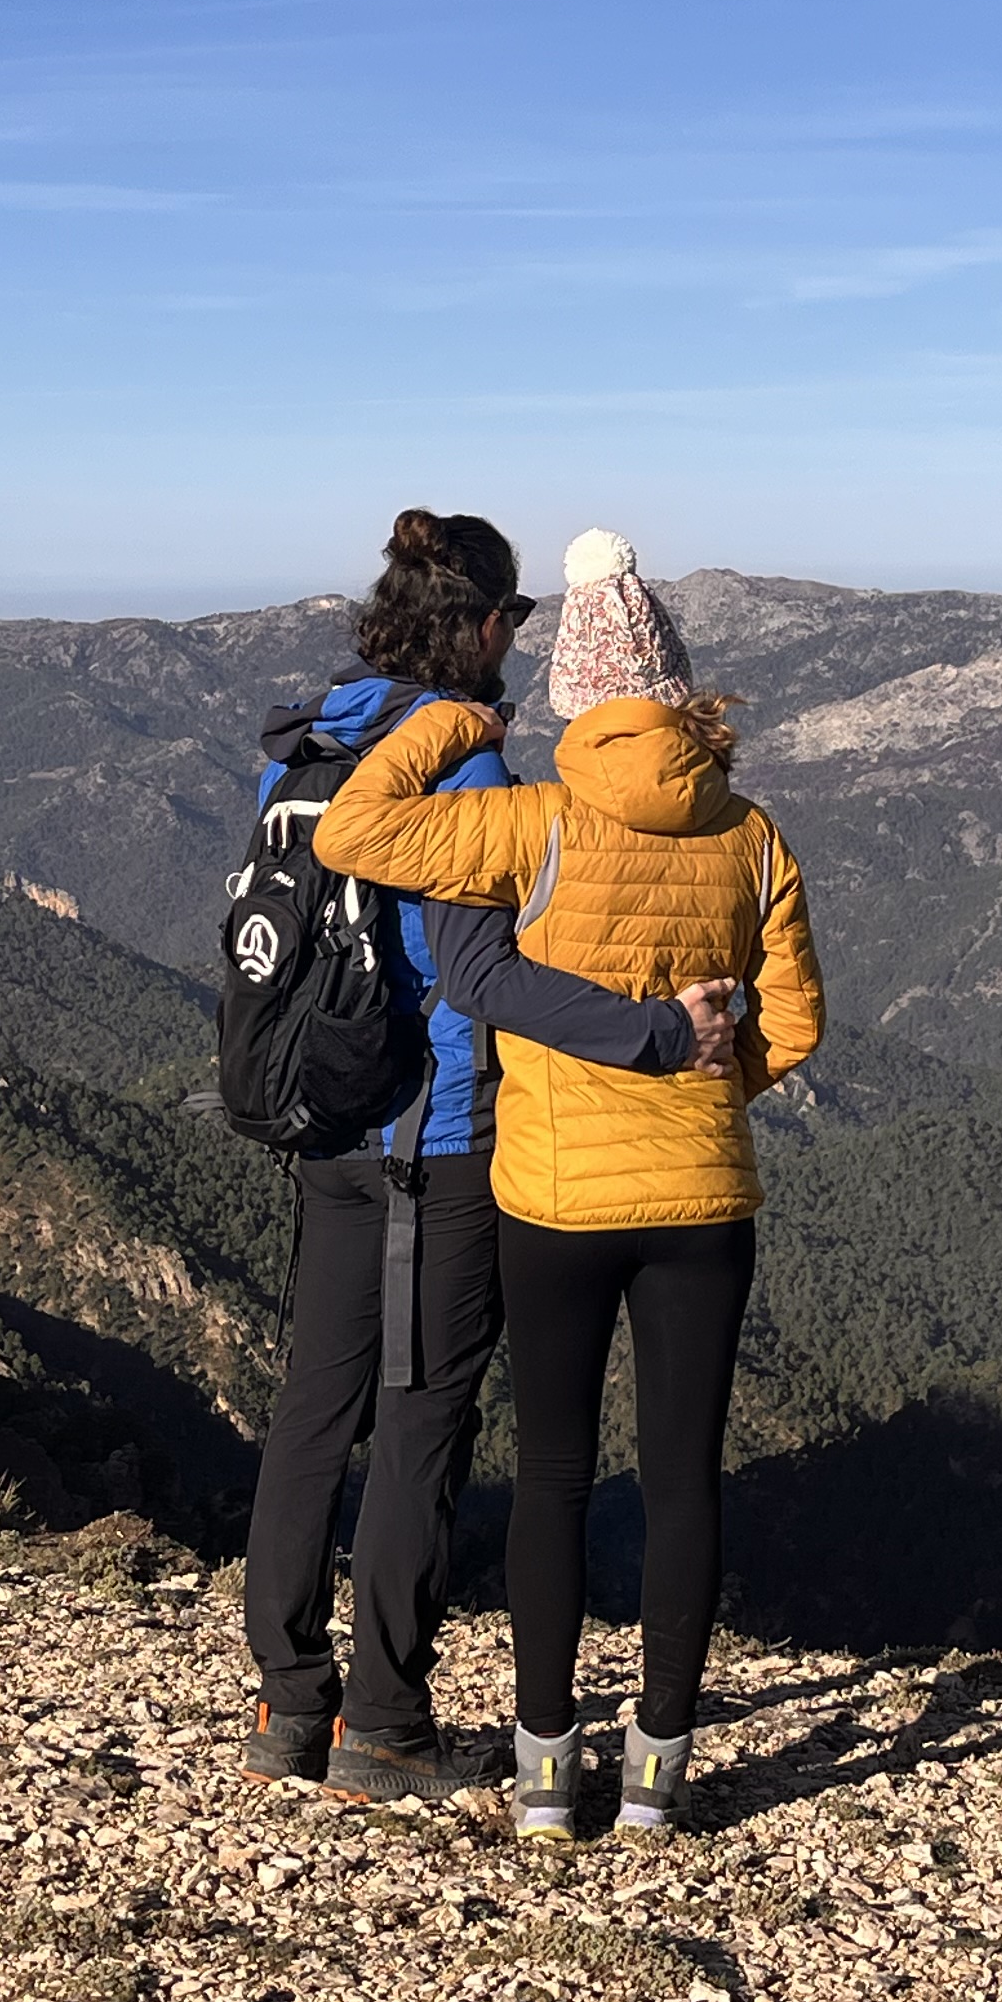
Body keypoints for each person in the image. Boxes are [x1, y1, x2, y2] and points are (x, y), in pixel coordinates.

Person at [310, 530, 825, 1838]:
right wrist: (708, 1092)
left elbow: (356, 832)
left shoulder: (529, 821)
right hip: (704, 1200)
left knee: (551, 1476)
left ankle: (546, 1772)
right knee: (684, 1479)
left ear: (574, 700)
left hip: (551, 1194)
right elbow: (796, 1024)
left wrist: (448, 722)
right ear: (681, 694)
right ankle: (656, 1775)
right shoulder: (754, 837)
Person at [238, 509, 735, 1805]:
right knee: (422, 1421)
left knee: (313, 1409)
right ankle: (385, 1724)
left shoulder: (311, 741)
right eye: (514, 621)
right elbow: (476, 973)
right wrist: (648, 1034)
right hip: (440, 1131)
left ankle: (288, 1702)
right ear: (485, 624)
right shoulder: (463, 766)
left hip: (322, 1122)